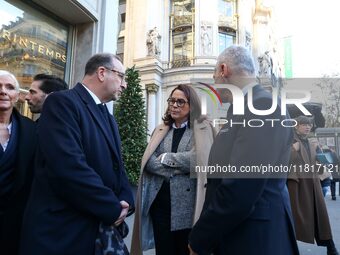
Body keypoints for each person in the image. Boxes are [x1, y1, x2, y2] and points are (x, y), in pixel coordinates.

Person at [188, 45, 299, 255]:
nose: (214, 84)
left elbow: (241, 186)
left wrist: (200, 238)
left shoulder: (263, 106)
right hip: (243, 232)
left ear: (223, 69)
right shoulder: (246, 107)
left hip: (256, 238)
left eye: (214, 77)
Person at [19, 53, 134, 255]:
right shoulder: (61, 103)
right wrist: (111, 207)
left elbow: (118, 166)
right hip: (62, 232)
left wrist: (126, 201)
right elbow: (68, 167)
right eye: (121, 76)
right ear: (101, 72)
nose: (124, 84)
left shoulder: (108, 116)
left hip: (94, 231)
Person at [131, 84, 215, 255]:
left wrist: (166, 158)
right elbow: (149, 162)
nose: (174, 105)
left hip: (188, 208)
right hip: (160, 206)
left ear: (192, 105)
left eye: (180, 102)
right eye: (172, 101)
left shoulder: (202, 129)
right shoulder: (161, 129)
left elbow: (198, 160)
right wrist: (177, 171)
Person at [287, 115, 339, 255]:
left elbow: (321, 165)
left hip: (313, 184)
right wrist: (293, 150)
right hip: (297, 187)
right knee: (295, 219)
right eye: (304, 124)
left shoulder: (311, 143)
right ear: (296, 126)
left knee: (321, 216)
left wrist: (321, 155)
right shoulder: (289, 141)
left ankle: (330, 246)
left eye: (309, 124)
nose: (307, 127)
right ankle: (287, 247)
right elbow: (281, 162)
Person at [0, 70, 36, 255]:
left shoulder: (31, 130)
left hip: (14, 224)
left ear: (17, 96)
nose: (3, 91)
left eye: (9, 87)